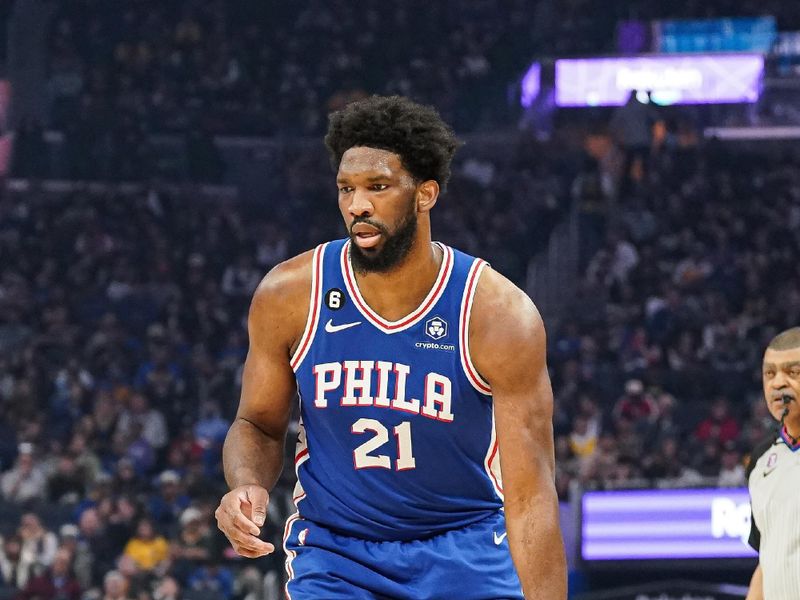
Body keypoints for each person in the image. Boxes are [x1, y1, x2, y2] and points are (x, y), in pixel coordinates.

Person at [214, 95, 567, 599]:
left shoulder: (496, 314)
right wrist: (246, 482)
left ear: (425, 195)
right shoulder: (291, 294)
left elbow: (531, 499)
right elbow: (257, 424)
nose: (357, 204)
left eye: (377, 187)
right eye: (346, 189)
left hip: (464, 548)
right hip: (338, 556)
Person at [746, 327, 800, 600]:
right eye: (770, 373)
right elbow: (767, 559)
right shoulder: (761, 458)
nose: (778, 384)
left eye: (793, 373)